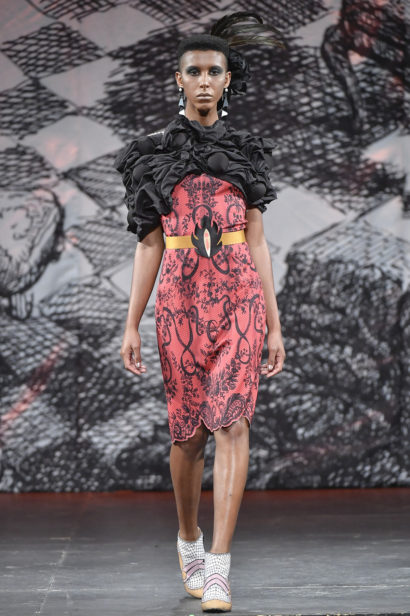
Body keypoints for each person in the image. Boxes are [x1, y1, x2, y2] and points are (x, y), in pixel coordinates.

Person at [114, 11, 286, 613]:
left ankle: (218, 566)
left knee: (233, 424)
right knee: (187, 435)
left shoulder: (245, 153)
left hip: (240, 300)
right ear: (179, 79)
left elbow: (258, 243)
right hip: (179, 306)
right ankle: (188, 536)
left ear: (228, 79)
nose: (205, 80)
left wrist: (274, 324)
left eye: (215, 71)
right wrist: (131, 323)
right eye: (195, 71)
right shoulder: (152, 156)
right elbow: (149, 246)